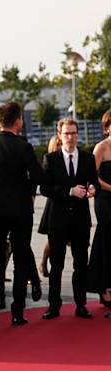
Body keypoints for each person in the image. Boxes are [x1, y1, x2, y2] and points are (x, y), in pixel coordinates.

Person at [0, 101, 45, 326]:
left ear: (0, 122)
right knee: (21, 260)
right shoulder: (24, 147)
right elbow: (39, 177)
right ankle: (17, 312)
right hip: (21, 211)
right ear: (18, 121)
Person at [40, 118, 98, 320]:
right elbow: (45, 188)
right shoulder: (50, 158)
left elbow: (94, 183)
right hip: (58, 220)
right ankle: (53, 307)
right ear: (60, 136)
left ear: (77, 135)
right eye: (66, 134)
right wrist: (70, 191)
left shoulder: (88, 158)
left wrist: (92, 189)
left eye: (73, 133)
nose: (70, 137)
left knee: (81, 264)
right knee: (57, 265)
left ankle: (81, 305)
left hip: (81, 219)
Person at [88, 110, 111, 316]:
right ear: (107, 127)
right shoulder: (101, 147)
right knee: (107, 240)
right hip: (105, 200)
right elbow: (92, 176)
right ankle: (106, 288)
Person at [38, 134, 62, 277]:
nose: (59, 147)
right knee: (52, 239)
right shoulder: (49, 160)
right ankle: (43, 262)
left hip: (68, 202)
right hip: (53, 203)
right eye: (57, 144)